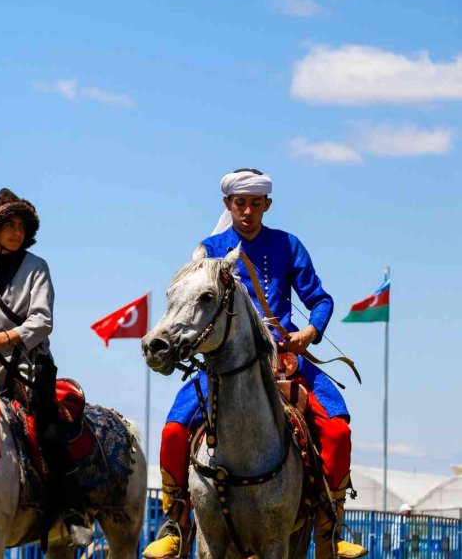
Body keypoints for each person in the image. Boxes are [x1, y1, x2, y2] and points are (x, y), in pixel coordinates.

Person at [144, 168, 367, 559]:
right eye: (239, 203)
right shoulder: (209, 249)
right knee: (174, 431)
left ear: (267, 205)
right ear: (228, 204)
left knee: (336, 430)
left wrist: (309, 334)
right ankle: (176, 523)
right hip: (222, 365)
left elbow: (321, 299)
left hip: (286, 357)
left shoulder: (288, 244)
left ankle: (331, 529)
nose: (247, 211)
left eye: (255, 204)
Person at [0, 188, 93, 547]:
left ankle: (72, 511)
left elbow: (43, 320)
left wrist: (6, 338)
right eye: (9, 225)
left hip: (30, 373)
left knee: (49, 433)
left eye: (21, 226)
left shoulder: (37, 267)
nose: (16, 232)